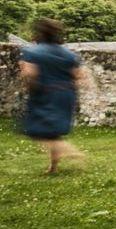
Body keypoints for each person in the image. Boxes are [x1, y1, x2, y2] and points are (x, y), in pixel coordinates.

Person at [19, 18, 88, 175]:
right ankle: (53, 167)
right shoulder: (68, 54)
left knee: (37, 130)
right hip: (66, 93)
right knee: (54, 132)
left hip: (45, 92)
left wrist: (31, 89)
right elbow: (77, 76)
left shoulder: (32, 52)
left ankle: (72, 153)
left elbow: (30, 74)